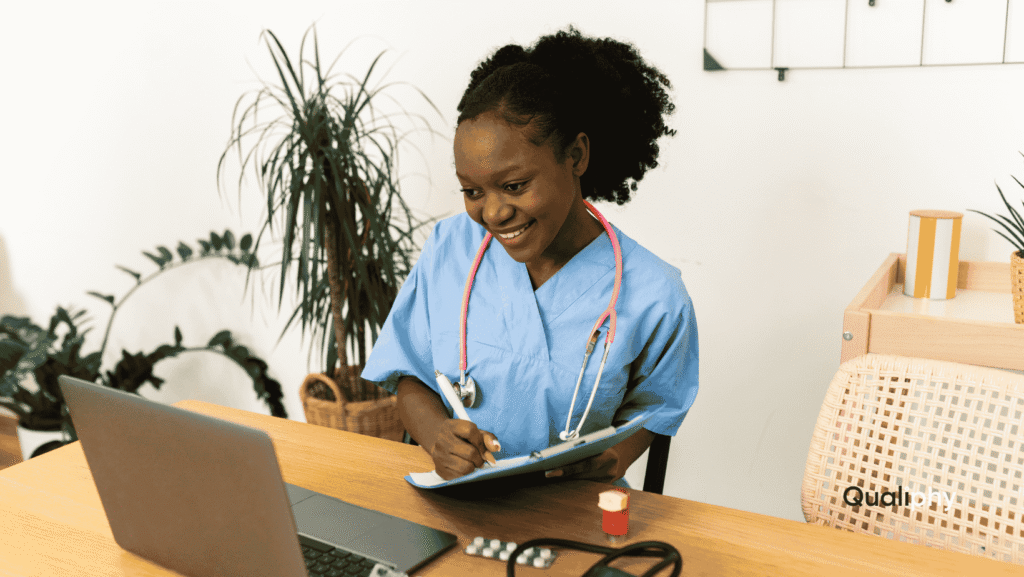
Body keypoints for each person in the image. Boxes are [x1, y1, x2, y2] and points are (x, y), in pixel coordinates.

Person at [361, 26, 698, 485]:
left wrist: (611, 461)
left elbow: (656, 409)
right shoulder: (451, 248)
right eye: (473, 191)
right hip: (453, 506)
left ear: (576, 156)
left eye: (515, 185)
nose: (494, 212)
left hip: (570, 517)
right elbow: (410, 375)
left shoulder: (655, 296)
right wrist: (438, 434)